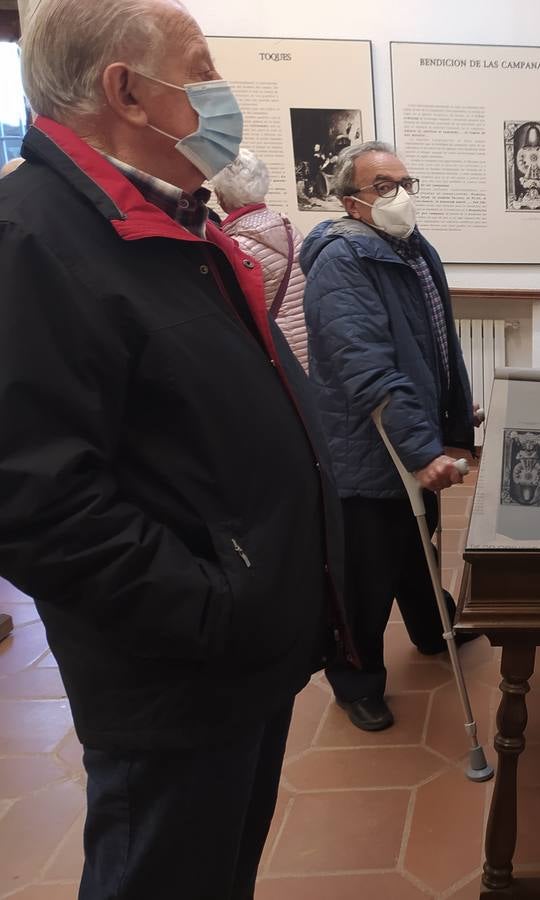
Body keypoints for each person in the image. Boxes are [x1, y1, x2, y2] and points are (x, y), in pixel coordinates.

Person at [0, 1, 350, 897]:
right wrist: (211, 610)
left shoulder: (171, 221)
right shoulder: (32, 236)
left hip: (236, 656)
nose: (219, 92)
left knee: (217, 871)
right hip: (177, 673)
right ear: (127, 91)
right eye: (199, 68)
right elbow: (35, 501)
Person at [302, 141, 482, 733]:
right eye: (383, 186)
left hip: (409, 430)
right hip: (368, 444)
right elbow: (367, 367)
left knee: (414, 540)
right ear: (352, 201)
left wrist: (453, 413)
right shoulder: (342, 261)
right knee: (364, 572)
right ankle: (355, 680)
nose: (399, 195)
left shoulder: (410, 248)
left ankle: (434, 628)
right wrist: (423, 449)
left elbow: (433, 342)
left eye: (405, 181)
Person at [212, 149, 310, 370]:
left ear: (221, 196)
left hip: (279, 351)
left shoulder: (237, 247)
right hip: (309, 342)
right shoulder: (288, 227)